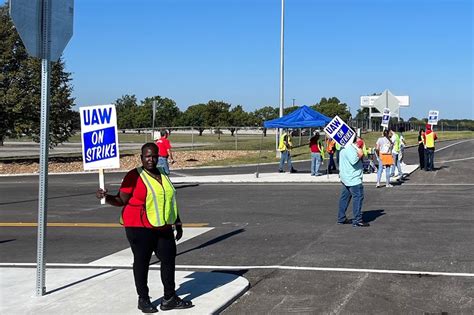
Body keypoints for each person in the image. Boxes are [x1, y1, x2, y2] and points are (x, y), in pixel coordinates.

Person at [96, 143, 192, 313]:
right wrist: (106, 197)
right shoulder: (134, 176)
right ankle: (143, 299)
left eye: (154, 156)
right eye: (147, 156)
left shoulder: (162, 173)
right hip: (139, 227)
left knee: (169, 259)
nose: (151, 159)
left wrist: (178, 222)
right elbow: (121, 200)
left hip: (162, 226)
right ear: (141, 158)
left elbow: (169, 201)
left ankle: (169, 298)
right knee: (142, 262)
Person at [337, 135, 369, 227]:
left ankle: (341, 217)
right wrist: (360, 153)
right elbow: (354, 160)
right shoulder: (349, 148)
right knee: (358, 197)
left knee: (345, 198)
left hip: (345, 176)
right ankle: (357, 219)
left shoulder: (343, 147)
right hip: (353, 178)